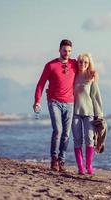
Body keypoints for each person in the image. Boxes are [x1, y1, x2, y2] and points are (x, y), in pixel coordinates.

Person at [33, 39, 77, 172]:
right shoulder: (50, 65)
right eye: (65, 50)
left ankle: (62, 160)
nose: (67, 53)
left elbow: (87, 67)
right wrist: (37, 101)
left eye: (69, 51)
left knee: (66, 133)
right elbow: (41, 84)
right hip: (54, 101)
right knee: (58, 130)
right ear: (59, 50)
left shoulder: (74, 64)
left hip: (70, 103)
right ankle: (54, 159)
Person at [72, 53, 104, 175]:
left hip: (89, 113)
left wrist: (99, 114)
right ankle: (80, 167)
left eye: (86, 62)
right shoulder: (73, 76)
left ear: (89, 63)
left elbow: (96, 97)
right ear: (77, 62)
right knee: (77, 140)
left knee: (89, 139)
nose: (83, 64)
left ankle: (89, 166)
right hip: (75, 112)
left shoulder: (91, 77)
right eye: (81, 62)